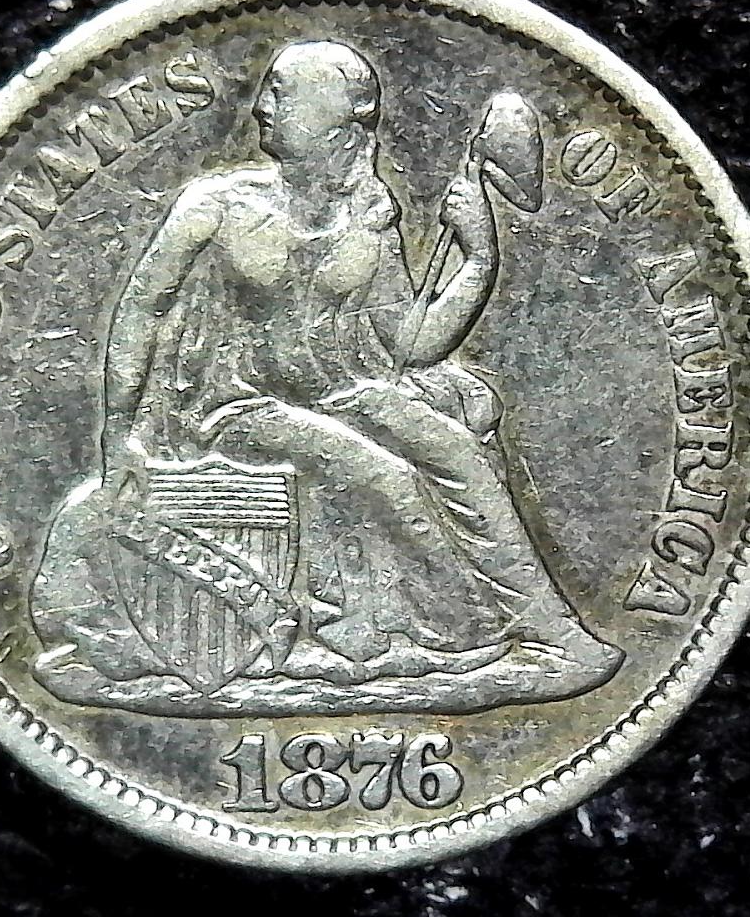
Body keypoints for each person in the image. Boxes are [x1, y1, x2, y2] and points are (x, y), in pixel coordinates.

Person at [31, 40, 623, 714]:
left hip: (341, 393)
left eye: (281, 92)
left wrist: (478, 255)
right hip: (228, 410)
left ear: (342, 116)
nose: (261, 107)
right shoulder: (214, 204)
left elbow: (410, 344)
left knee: (457, 452)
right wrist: (118, 433)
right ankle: (458, 636)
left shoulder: (371, 212)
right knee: (385, 477)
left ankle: (550, 634)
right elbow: (143, 308)